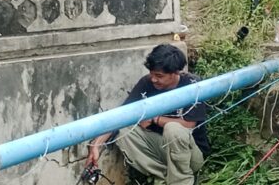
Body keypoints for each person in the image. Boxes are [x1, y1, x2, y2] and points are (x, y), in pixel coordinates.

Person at [86, 44, 209, 185]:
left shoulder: (193, 84)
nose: (153, 79)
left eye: (159, 76)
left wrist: (155, 118)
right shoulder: (147, 83)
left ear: (175, 72)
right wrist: (96, 145)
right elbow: (122, 115)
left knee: (173, 128)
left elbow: (189, 124)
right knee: (125, 130)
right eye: (152, 73)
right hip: (163, 149)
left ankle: (181, 181)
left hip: (191, 155)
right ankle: (163, 177)